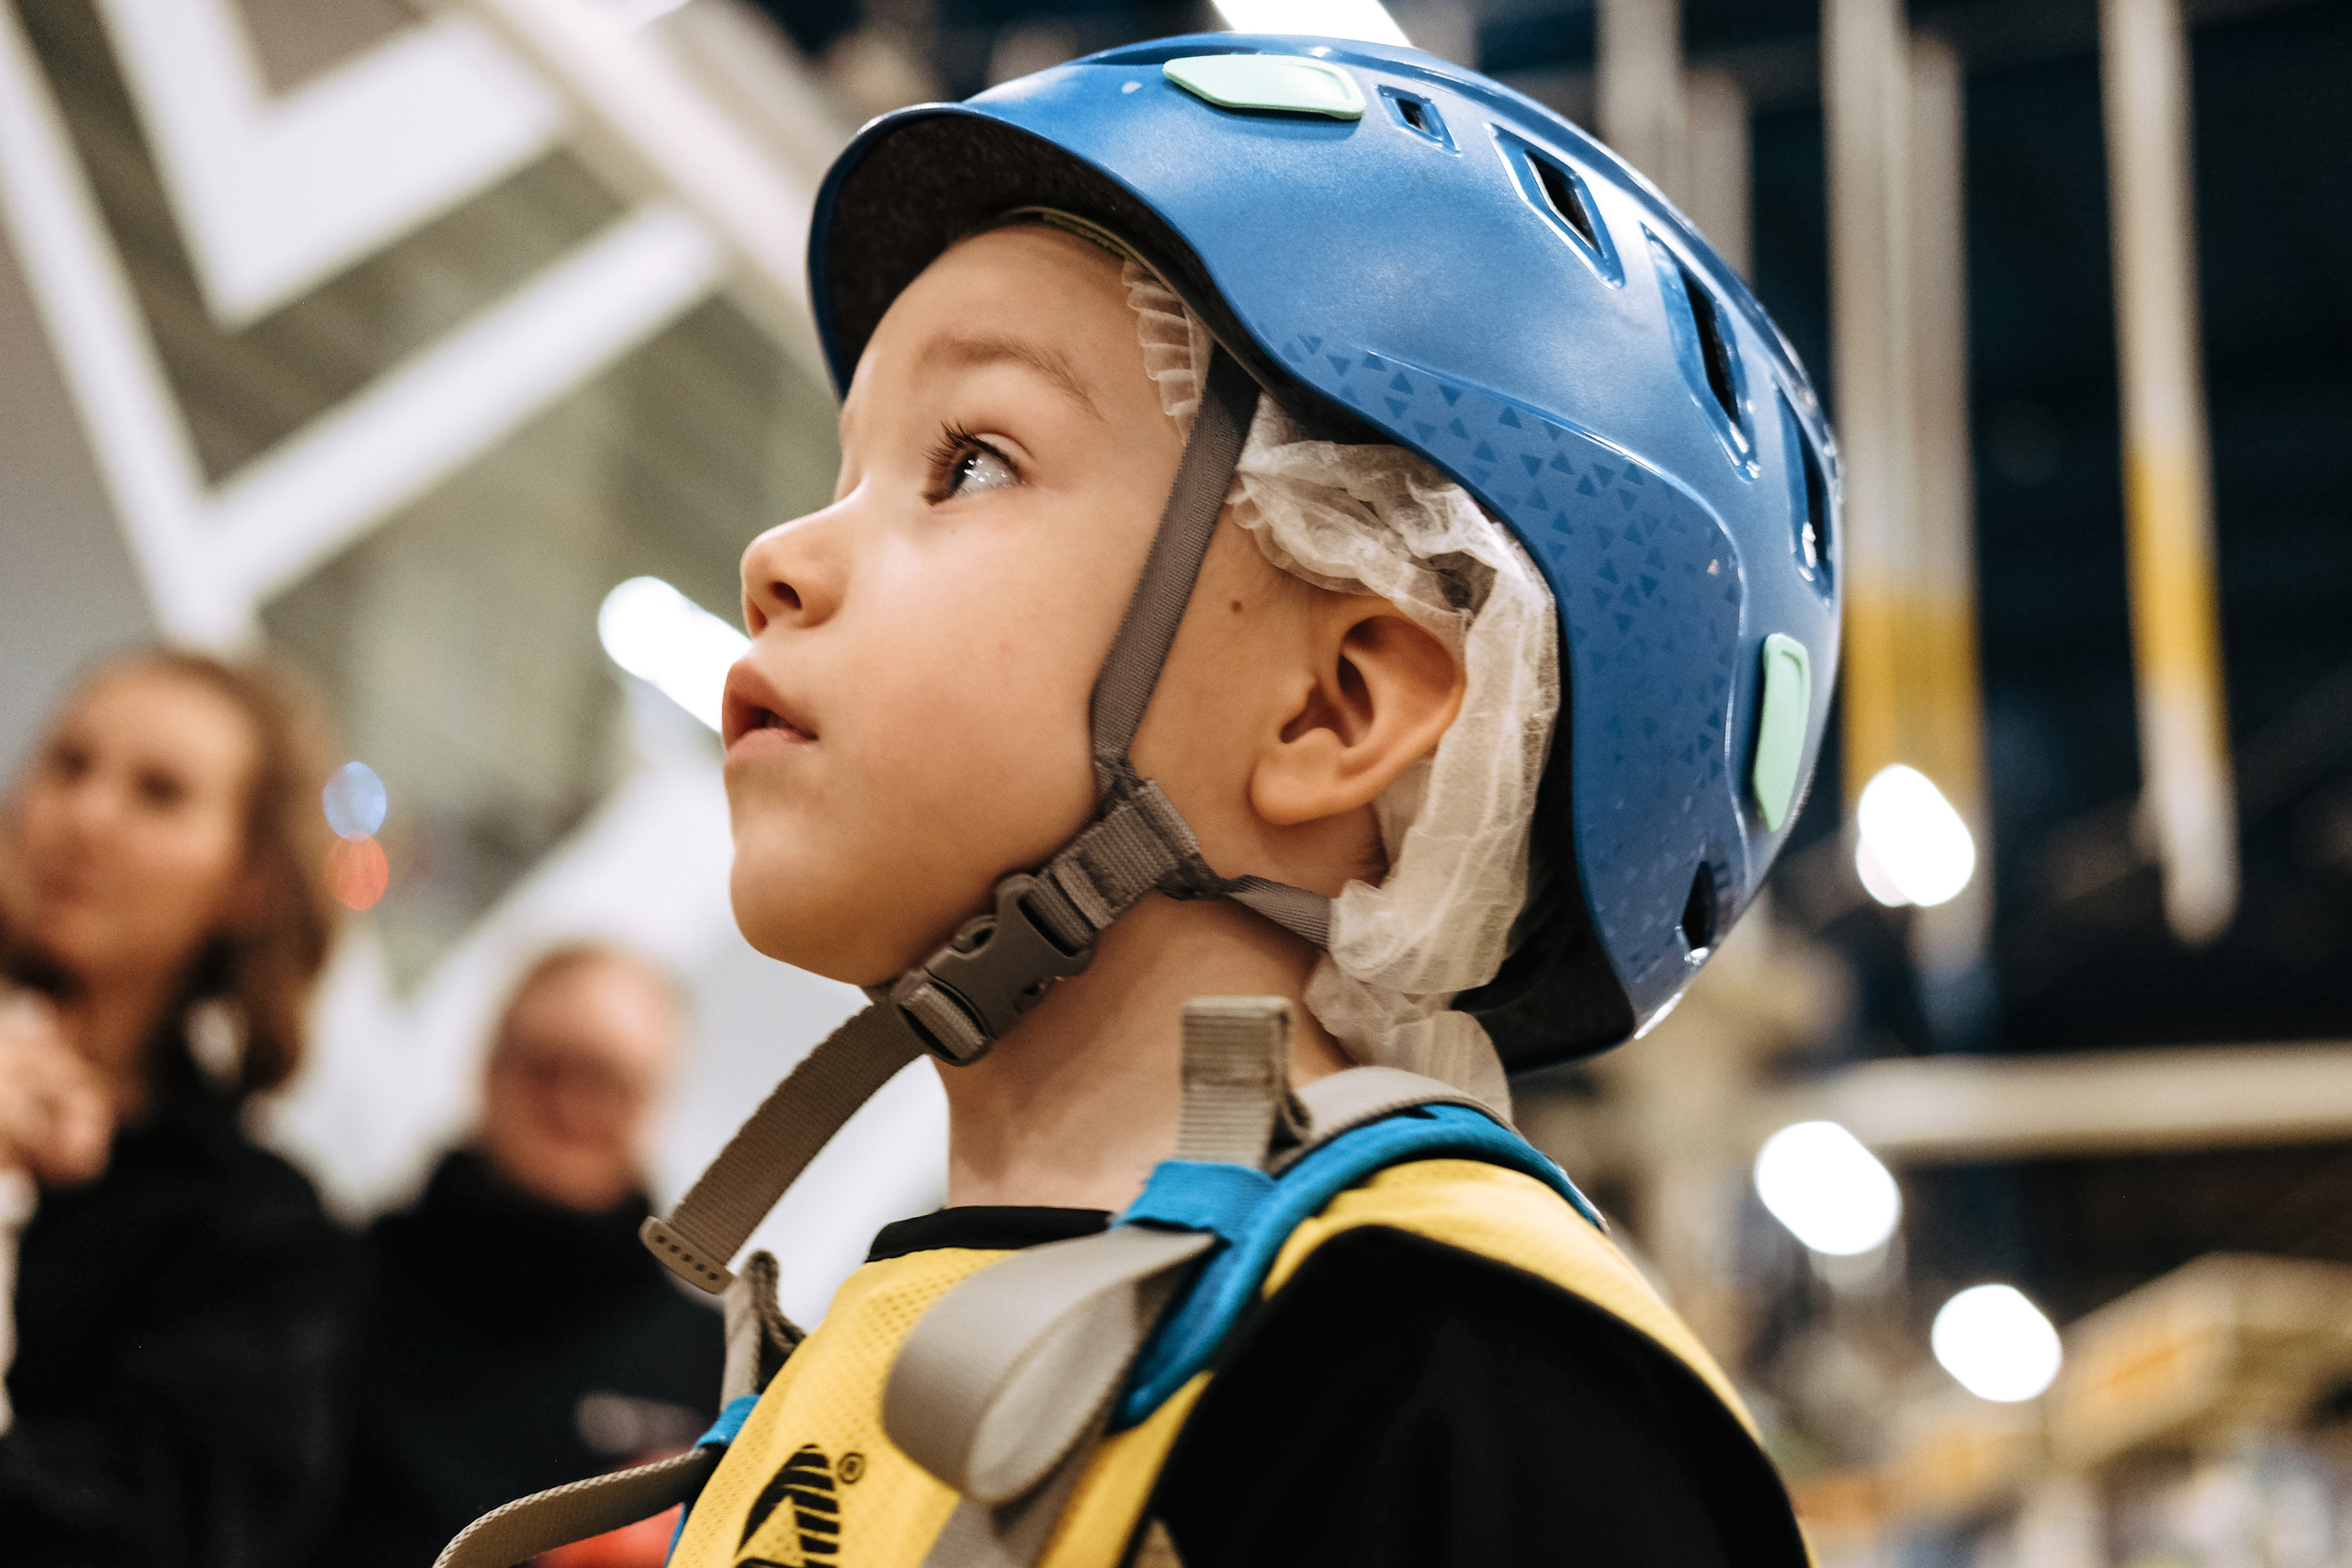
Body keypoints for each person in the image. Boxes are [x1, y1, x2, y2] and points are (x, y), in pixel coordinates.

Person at [448, 33, 1840, 1568]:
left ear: (1335, 707)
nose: (780, 554)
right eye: (848, 469)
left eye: (969, 462)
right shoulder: (848, 1367)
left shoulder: (1464, 1384)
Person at [0, 649, 353, 1567]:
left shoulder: (253, 1231)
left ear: (251, 881)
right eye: (69, 765)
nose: (86, 816)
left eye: (159, 793)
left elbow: (162, 1536)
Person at [318, 944, 722, 1568]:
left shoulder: (717, 1366)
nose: (573, 1102)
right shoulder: (332, 1280)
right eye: (547, 1065)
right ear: (489, 1064)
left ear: (652, 1103)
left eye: (609, 1079)